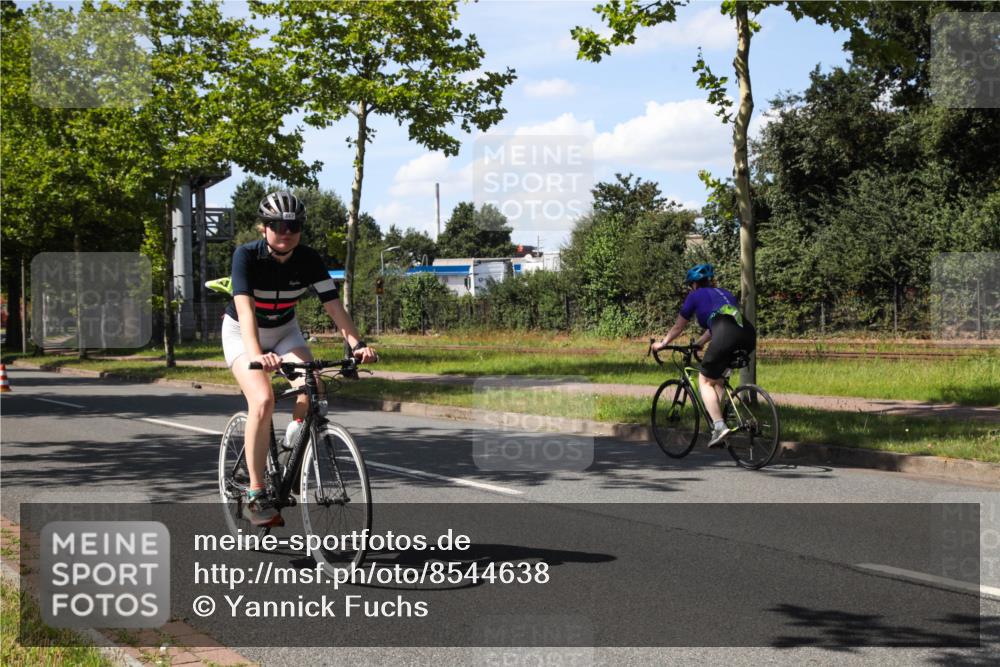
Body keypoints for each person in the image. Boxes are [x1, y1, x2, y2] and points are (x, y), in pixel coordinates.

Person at [223, 191, 377, 526]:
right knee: (263, 400)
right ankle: (256, 493)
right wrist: (257, 355)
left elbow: (333, 306)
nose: (287, 232)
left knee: (313, 385)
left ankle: (293, 450)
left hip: (284, 331)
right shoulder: (246, 256)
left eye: (294, 226)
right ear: (264, 228)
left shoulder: (308, 259)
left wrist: (357, 344)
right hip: (242, 333)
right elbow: (245, 312)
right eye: (278, 225)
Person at [650, 263, 756, 448]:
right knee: (718, 380)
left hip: (726, 333)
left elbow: (679, 326)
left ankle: (719, 426)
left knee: (705, 380)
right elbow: (720, 321)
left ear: (694, 284)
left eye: (690, 285)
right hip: (747, 334)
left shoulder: (694, 295)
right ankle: (721, 423)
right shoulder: (725, 293)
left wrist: (662, 343)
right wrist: (700, 343)